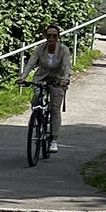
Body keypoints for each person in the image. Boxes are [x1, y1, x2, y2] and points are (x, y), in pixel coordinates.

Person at [19, 24, 71, 152]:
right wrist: (23, 77)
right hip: (41, 78)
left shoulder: (63, 50)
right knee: (37, 95)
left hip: (58, 80)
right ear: (45, 37)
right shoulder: (40, 49)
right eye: (49, 35)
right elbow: (31, 63)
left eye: (54, 35)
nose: (51, 38)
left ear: (58, 37)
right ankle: (36, 116)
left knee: (54, 109)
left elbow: (66, 65)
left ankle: (53, 140)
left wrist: (65, 79)